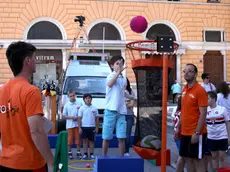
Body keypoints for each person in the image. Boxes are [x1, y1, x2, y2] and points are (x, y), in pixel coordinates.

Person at [0, 41, 53, 171]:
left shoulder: (1, 91)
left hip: (6, 161)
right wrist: (51, 160)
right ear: (28, 61)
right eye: (34, 57)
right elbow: (37, 131)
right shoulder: (31, 91)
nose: (36, 61)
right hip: (30, 163)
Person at [176, 63, 208, 172]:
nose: (186, 73)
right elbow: (184, 111)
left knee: (198, 160)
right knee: (188, 159)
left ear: (195, 74)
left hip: (195, 132)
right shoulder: (184, 89)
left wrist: (197, 132)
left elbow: (203, 113)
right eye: (185, 71)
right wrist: (178, 127)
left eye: (190, 71)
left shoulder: (200, 90)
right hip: (184, 132)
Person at [102, 55, 127, 156]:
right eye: (117, 64)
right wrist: (118, 73)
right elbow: (110, 84)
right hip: (110, 110)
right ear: (112, 66)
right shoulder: (111, 75)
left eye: (121, 64)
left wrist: (132, 98)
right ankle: (104, 157)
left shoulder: (124, 78)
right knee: (107, 137)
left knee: (121, 137)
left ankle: (121, 158)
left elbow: (122, 92)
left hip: (121, 111)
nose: (119, 66)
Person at [206, 91, 230, 169]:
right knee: (214, 157)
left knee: (222, 158)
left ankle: (222, 170)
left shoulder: (222, 109)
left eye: (208, 98)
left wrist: (229, 137)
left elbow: (227, 123)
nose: (206, 100)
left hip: (222, 137)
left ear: (214, 99)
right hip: (211, 137)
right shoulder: (205, 110)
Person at [78, 94, 99, 160]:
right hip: (84, 127)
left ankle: (92, 154)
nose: (88, 99)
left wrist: (97, 127)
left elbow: (97, 118)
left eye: (89, 98)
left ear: (91, 99)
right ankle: (85, 154)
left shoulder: (94, 108)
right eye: (86, 98)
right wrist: (79, 128)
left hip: (92, 127)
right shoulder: (81, 108)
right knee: (84, 141)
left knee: (92, 141)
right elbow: (79, 118)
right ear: (84, 100)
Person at [63, 90, 82, 159]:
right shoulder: (66, 105)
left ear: (75, 95)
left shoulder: (79, 103)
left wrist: (78, 117)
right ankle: (69, 152)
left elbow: (82, 113)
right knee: (69, 139)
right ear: (68, 97)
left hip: (77, 125)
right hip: (69, 125)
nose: (72, 97)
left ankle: (78, 152)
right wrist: (71, 117)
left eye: (73, 95)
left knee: (78, 139)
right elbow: (64, 116)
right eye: (70, 96)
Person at [173, 94, 186, 172]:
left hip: (178, 135)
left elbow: (173, 123)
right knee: (182, 156)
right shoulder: (182, 112)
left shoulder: (177, 111)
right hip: (180, 135)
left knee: (182, 155)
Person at [124, 78, 135, 156]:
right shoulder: (118, 91)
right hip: (121, 115)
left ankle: (126, 151)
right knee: (121, 134)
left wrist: (125, 104)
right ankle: (122, 149)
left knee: (128, 134)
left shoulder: (131, 92)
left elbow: (131, 104)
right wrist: (127, 103)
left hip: (129, 115)